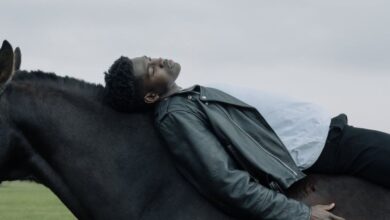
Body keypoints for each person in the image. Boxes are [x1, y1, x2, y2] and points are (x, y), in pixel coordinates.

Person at [103, 56, 390, 220]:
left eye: (150, 58)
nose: (159, 60)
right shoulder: (175, 114)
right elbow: (223, 180)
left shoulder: (185, 100)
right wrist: (300, 215)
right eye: (152, 68)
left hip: (326, 136)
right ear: (151, 96)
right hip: (324, 146)